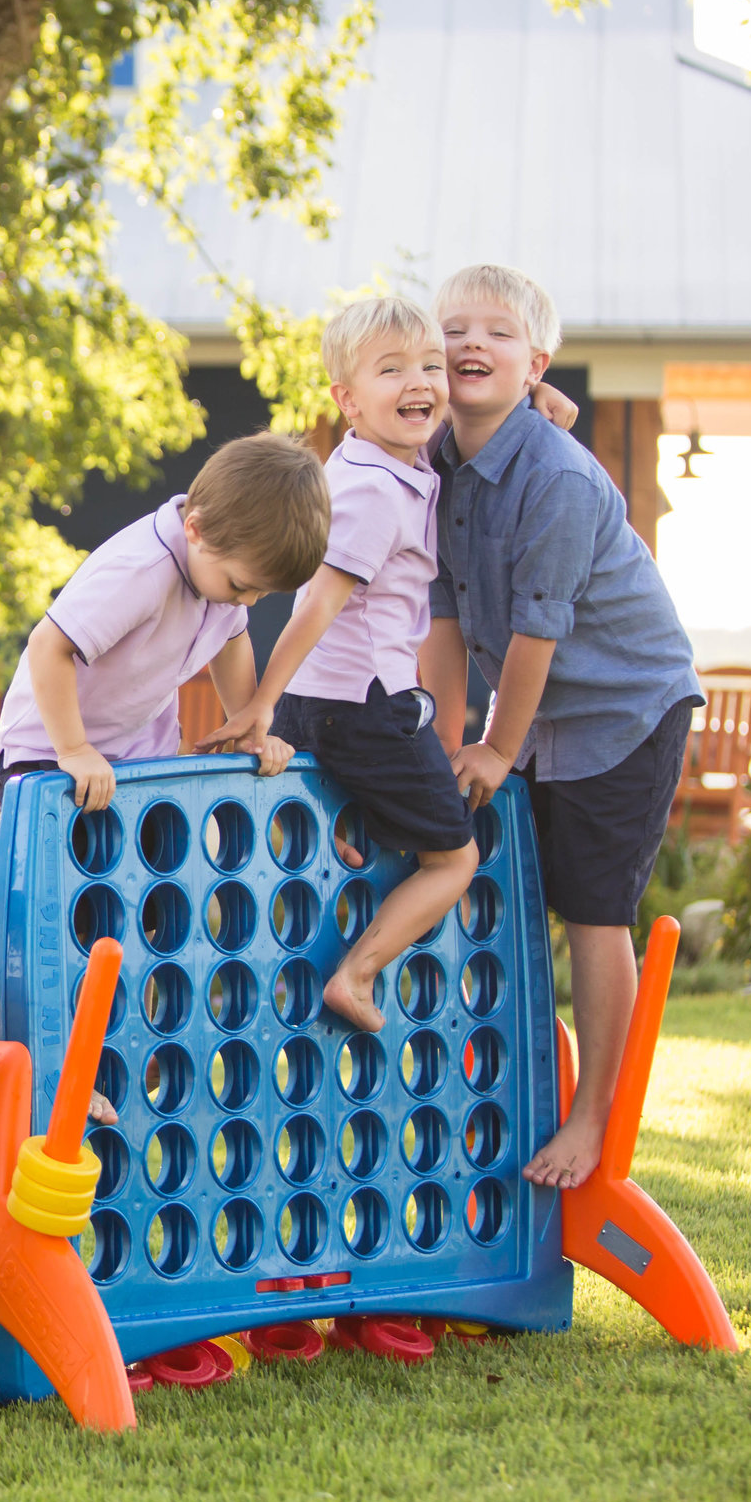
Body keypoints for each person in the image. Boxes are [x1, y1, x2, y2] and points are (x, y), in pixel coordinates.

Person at [424, 263, 703, 1191]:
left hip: (622, 706)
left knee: (591, 908)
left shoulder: (558, 480)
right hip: (537, 711)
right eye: (455, 327)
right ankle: (513, 1094)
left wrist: (497, 748)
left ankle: (595, 1119)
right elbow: (448, 621)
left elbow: (537, 633)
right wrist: (441, 746)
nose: (471, 342)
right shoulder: (439, 462)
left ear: (537, 360)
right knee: (502, 896)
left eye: (497, 332)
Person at [198, 296, 477, 1033]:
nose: (418, 382)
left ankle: (333, 855)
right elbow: (317, 604)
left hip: (326, 703)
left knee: (356, 831)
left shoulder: (368, 462)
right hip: (366, 705)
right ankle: (356, 973)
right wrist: (261, 702)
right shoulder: (375, 492)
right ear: (348, 401)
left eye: (429, 366)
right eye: (392, 371)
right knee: (454, 859)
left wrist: (535, 397)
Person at [0, 433, 333, 812]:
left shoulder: (218, 566)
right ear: (196, 530)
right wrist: (75, 749)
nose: (247, 602)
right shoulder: (143, 571)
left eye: (261, 594)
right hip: (51, 756)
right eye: (240, 586)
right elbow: (47, 645)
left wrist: (247, 728)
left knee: (170, 862)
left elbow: (232, 642)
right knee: (75, 866)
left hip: (139, 757)